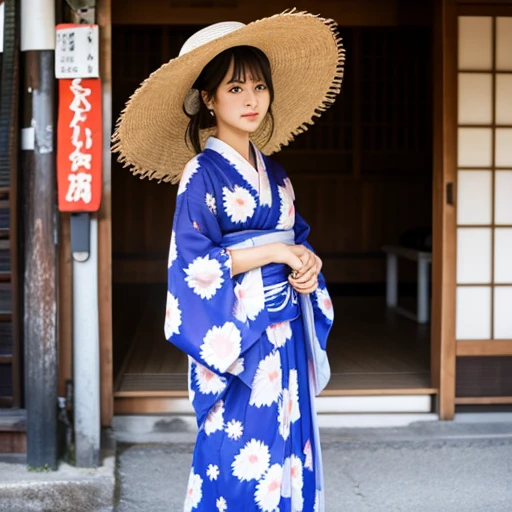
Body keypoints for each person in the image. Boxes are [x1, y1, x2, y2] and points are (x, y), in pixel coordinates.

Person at [112, 9, 344, 512]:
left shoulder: (277, 174)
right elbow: (193, 263)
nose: (251, 99)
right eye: (235, 88)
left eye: (258, 87)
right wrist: (276, 251)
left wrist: (307, 261)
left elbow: (296, 238)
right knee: (242, 451)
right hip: (241, 336)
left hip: (288, 331)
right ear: (207, 98)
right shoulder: (200, 174)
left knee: (287, 446)